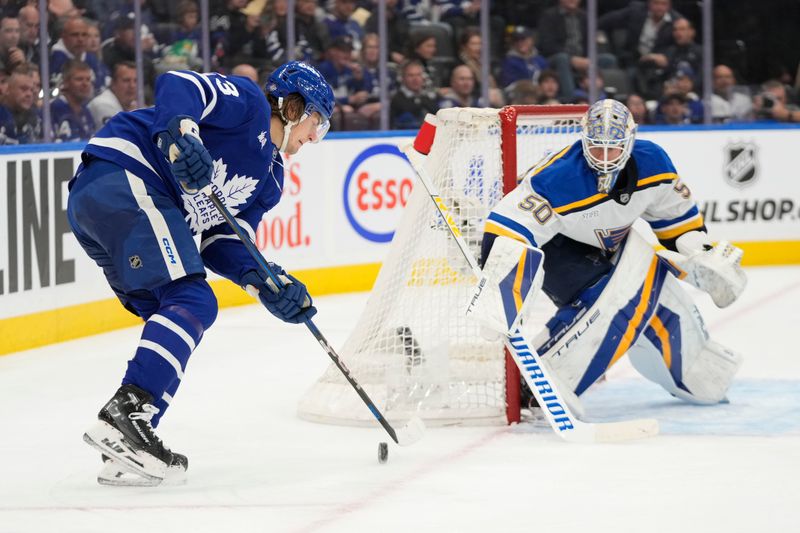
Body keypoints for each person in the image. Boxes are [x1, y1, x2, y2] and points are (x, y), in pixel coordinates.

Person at [69, 61, 334, 486]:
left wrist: (265, 281)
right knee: (193, 299)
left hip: (108, 205)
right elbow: (180, 84)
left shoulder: (271, 180)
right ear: (294, 106)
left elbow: (224, 241)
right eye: (316, 123)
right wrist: (182, 134)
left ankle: (128, 440)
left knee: (176, 310)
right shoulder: (247, 104)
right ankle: (127, 416)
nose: (313, 138)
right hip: (126, 177)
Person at [475, 99, 746, 413]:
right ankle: (541, 377)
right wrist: (501, 287)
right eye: (597, 148)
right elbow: (507, 227)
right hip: (556, 246)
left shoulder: (654, 163)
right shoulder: (559, 178)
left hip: (607, 245)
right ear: (584, 141)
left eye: (613, 149)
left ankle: (692, 374)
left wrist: (701, 255)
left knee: (662, 301)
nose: (604, 159)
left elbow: (677, 223)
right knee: (619, 297)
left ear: (630, 141)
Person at [87, 60, 138, 126]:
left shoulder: (133, 104)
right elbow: (120, 134)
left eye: (136, 81)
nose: (132, 86)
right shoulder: (104, 104)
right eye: (126, 80)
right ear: (113, 83)